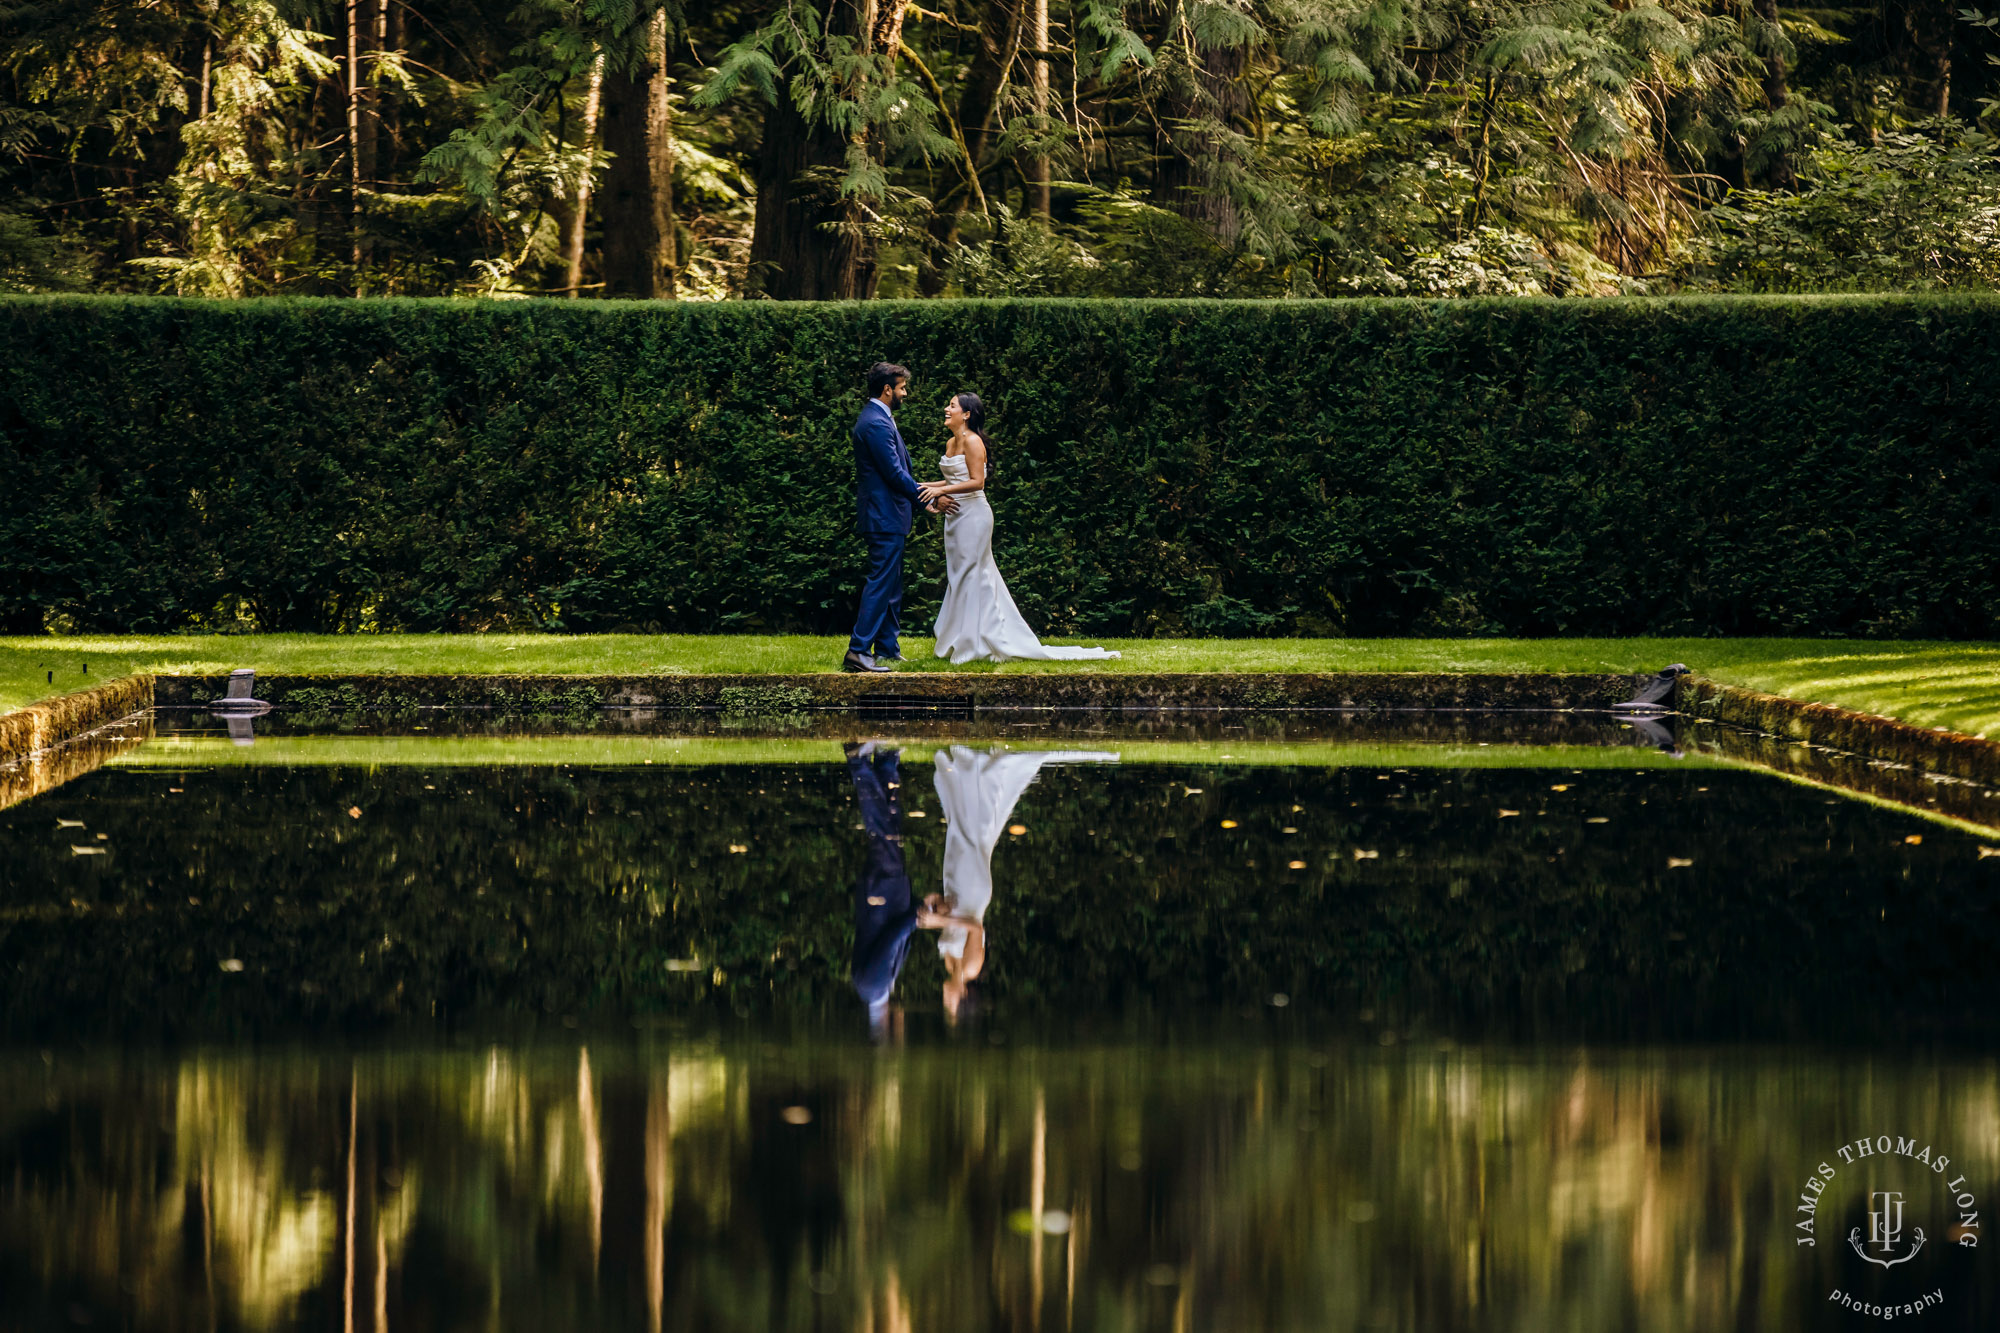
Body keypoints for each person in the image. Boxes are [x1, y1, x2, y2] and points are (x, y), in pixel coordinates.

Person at [917, 745, 1118, 1023]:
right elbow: (975, 927)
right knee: (968, 836)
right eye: (950, 1004)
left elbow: (946, 912)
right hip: (974, 892)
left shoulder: (952, 965)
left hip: (955, 889)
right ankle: (979, 769)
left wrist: (933, 906)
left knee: (959, 832)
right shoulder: (971, 968)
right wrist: (941, 924)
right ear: (962, 994)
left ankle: (970, 771)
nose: (944, 1000)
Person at [918, 392, 1121, 664]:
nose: (946, 409)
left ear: (966, 414)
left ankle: (975, 643)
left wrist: (937, 489)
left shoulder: (974, 441)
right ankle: (963, 638)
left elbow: (978, 482)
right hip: (954, 518)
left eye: (952, 406)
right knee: (960, 576)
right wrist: (933, 488)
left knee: (971, 574)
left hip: (974, 516)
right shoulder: (951, 442)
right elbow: (956, 477)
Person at [845, 363, 955, 674]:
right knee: (881, 583)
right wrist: (929, 496)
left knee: (891, 585)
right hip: (883, 517)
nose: (905, 392)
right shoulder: (876, 423)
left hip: (889, 515)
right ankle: (857, 651)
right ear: (887, 389)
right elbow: (895, 474)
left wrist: (920, 503)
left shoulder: (879, 419)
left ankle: (888, 649)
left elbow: (897, 473)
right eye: (902, 387)